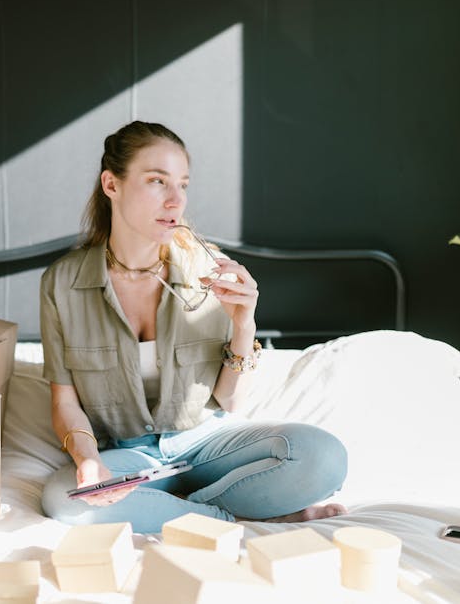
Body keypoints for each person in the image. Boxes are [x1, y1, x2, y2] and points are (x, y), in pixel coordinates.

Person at [39, 121, 347, 534]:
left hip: (207, 442)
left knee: (324, 456)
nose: (174, 200)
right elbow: (64, 402)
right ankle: (237, 517)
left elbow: (230, 401)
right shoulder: (62, 283)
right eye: (157, 181)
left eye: (182, 185)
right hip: (127, 456)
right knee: (63, 500)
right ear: (112, 185)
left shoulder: (209, 271)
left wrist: (243, 324)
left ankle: (176, 511)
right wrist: (88, 459)